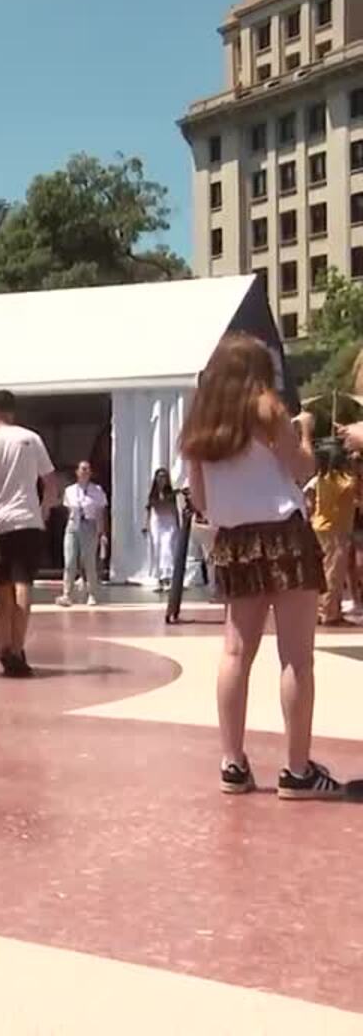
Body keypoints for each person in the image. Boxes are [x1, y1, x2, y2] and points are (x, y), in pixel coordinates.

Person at [183, 332, 342, 799]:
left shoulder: (201, 422)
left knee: (235, 652)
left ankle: (232, 763)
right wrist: (304, 431)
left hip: (235, 541)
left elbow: (200, 499)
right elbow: (302, 468)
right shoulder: (269, 409)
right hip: (284, 535)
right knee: (296, 657)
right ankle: (297, 770)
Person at [0, 390, 57, 675]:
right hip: (27, 520)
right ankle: (17, 647)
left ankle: (4, 643)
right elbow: (50, 482)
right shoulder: (31, 438)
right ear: (12, 412)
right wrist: (43, 511)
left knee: (1, 585)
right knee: (23, 582)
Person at [305, 447, 357, 626]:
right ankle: (329, 613)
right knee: (333, 572)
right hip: (334, 530)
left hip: (322, 527)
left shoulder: (321, 478)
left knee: (326, 570)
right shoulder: (342, 480)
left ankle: (325, 610)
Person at [58, 461, 108, 608]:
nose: (85, 472)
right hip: (73, 525)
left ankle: (92, 594)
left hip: (89, 525)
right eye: (83, 469)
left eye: (87, 469)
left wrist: (102, 532)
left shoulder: (97, 490)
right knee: (69, 560)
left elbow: (100, 513)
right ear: (77, 472)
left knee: (89, 562)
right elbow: (68, 511)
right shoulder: (69, 490)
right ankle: (67, 594)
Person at [144, 467, 181, 593]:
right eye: (159, 476)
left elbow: (175, 508)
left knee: (167, 547)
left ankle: (168, 577)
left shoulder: (171, 493)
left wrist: (178, 524)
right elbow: (149, 508)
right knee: (157, 547)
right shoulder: (152, 493)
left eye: (164, 476)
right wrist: (146, 525)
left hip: (169, 521)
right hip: (157, 521)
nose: (162, 479)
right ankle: (159, 578)